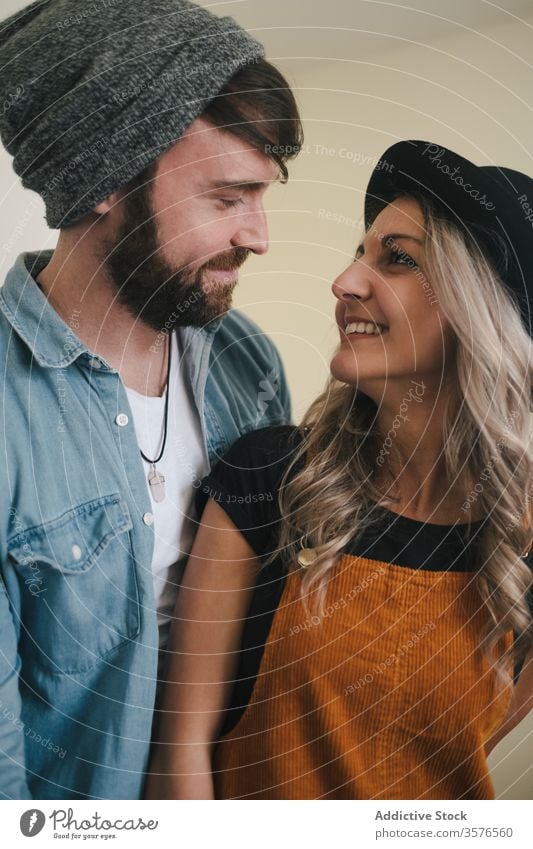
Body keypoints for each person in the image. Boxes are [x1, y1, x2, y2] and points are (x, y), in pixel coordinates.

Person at [147, 140, 533, 800]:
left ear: (479, 310)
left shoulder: (517, 549)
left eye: (398, 259)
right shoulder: (270, 477)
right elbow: (179, 750)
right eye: (359, 251)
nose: (345, 281)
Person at [0, 0, 302, 799]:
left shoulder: (248, 362)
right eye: (226, 197)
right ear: (102, 181)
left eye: (261, 195)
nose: (259, 235)